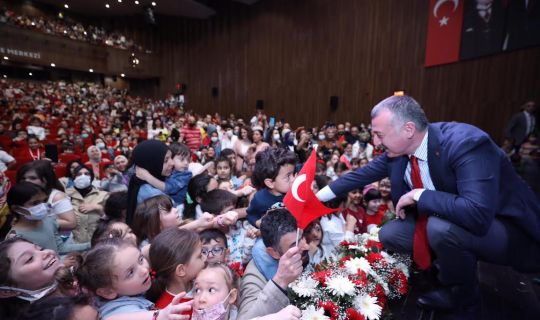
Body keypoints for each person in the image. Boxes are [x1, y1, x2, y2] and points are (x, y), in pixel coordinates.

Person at [317, 95, 540, 317]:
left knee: (440, 229)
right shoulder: (398, 153)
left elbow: (477, 213)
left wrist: (420, 195)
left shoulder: (467, 143)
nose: (375, 142)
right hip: (451, 222)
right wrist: (316, 198)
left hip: (500, 226)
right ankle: (445, 274)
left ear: (408, 129)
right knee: (391, 233)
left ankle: (463, 297)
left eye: (379, 135)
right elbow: (359, 176)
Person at [73, 237, 193, 320]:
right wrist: (159, 316)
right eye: (130, 272)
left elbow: (149, 249)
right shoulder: (116, 309)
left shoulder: (130, 285)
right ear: (108, 291)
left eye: (140, 260)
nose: (144, 270)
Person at [238, 208, 309, 319]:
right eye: (294, 245)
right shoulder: (254, 277)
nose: (306, 246)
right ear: (274, 253)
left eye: (302, 237)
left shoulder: (303, 254)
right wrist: (280, 281)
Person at [6, 182, 89, 254]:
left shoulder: (49, 221)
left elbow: (60, 248)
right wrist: (61, 262)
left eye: (44, 201)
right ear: (16, 209)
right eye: (35, 203)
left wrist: (91, 245)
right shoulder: (14, 238)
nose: (42, 206)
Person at [147, 228, 206, 314]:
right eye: (200, 256)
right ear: (181, 270)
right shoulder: (168, 312)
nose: (205, 258)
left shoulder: (202, 282)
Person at [17, 160, 76, 230]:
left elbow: (71, 223)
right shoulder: (22, 194)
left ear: (46, 180)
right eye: (23, 178)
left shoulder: (57, 196)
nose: (26, 181)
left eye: (33, 178)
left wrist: (34, 222)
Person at [126, 140, 174, 225]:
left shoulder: (138, 179)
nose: (172, 163)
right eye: (165, 160)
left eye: (171, 157)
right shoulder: (151, 194)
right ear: (152, 163)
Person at [247, 148, 297, 228]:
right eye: (288, 176)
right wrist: (258, 223)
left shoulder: (296, 193)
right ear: (270, 183)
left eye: (294, 173)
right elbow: (251, 215)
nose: (293, 179)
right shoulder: (259, 199)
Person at [135, 142, 192, 206]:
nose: (186, 163)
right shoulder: (146, 190)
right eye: (182, 160)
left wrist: (147, 176)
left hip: (177, 205)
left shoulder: (185, 175)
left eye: (188, 160)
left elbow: (168, 188)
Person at [66, 165, 108, 244]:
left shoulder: (103, 195)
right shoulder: (65, 195)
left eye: (86, 174)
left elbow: (111, 220)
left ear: (91, 177)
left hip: (98, 243)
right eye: (79, 174)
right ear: (73, 177)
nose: (83, 176)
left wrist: (98, 208)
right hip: (74, 244)